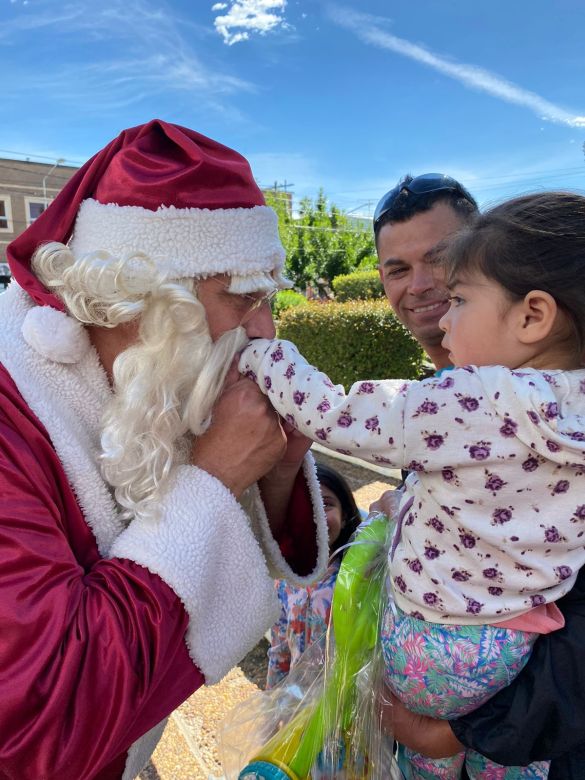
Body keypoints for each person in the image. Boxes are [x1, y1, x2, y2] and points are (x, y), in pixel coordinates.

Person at [0, 119, 329, 780]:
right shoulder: (13, 415)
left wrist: (280, 469)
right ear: (137, 301)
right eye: (242, 300)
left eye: (270, 301)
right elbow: (43, 727)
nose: (264, 333)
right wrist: (213, 476)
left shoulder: (155, 373)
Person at [238, 191, 585, 778]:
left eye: (458, 296)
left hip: (439, 649)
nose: (441, 311)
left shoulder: (470, 398)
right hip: (518, 651)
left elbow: (334, 412)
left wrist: (266, 357)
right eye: (397, 268)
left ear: (532, 315)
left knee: (411, 756)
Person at [372, 177, 585, 779]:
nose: (419, 286)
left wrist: (455, 733)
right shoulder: (440, 402)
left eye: (440, 263)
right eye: (395, 268)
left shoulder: (561, 421)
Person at [266, 462, 361, 689]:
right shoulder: (286, 578)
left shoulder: (358, 577)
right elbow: (280, 646)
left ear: (345, 514)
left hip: (342, 704)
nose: (316, 515)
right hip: (297, 701)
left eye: (326, 504)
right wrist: (273, 700)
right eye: (305, 505)